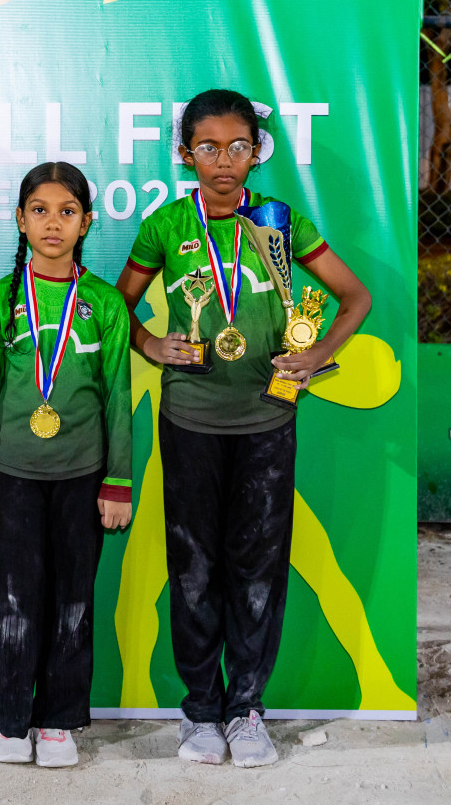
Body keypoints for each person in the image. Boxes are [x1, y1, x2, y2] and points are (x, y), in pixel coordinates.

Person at [114, 89, 371, 768]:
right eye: (208, 148)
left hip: (268, 419)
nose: (223, 161)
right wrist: (150, 343)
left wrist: (317, 355)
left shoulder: (279, 222)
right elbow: (116, 308)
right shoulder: (167, 226)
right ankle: (201, 711)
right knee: (194, 567)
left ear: (257, 152)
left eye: (237, 147)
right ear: (185, 155)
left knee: (257, 568)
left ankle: (247, 709)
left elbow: (355, 297)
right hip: (189, 421)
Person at [0, 162, 133, 768]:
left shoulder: (104, 303)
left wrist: (118, 480)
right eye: (40, 210)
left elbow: (117, 396)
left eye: (67, 211)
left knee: (73, 598)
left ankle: (59, 721)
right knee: (13, 599)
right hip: (11, 477)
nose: (53, 223)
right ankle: (12, 722)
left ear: (86, 223)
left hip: (83, 476)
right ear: (20, 219)